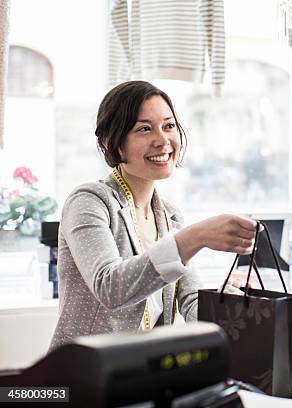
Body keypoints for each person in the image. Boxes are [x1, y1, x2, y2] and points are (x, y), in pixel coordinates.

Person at [50, 81, 258, 350]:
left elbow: (192, 303)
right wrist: (196, 236)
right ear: (110, 141)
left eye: (169, 126)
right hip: (82, 377)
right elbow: (110, 287)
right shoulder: (89, 201)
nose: (163, 140)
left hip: (141, 373)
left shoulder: (169, 216)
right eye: (144, 129)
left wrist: (234, 301)